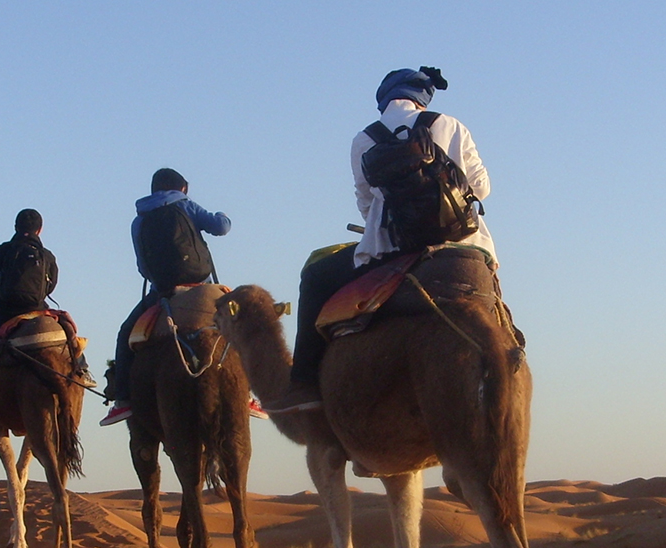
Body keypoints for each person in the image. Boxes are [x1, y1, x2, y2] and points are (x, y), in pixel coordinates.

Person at [266, 66, 496, 414]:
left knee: (315, 275)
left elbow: (365, 200)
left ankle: (306, 383)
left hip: (391, 250)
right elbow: (482, 188)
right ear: (423, 98)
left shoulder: (364, 139)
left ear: (385, 100)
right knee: (490, 291)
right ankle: (510, 350)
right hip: (462, 244)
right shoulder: (451, 124)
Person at [98, 168, 232, 427]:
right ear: (182, 188)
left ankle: (123, 401)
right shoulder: (185, 205)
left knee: (126, 334)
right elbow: (222, 227)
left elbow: (143, 268)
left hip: (163, 293)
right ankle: (249, 391)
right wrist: (223, 215)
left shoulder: (139, 219)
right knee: (242, 319)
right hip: (201, 285)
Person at [0, 209, 59, 413]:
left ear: (15, 227)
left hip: (4, 315)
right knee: (68, 334)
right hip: (37, 312)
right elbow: (51, 285)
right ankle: (81, 368)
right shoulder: (47, 256)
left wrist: (2, 299)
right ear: (40, 230)